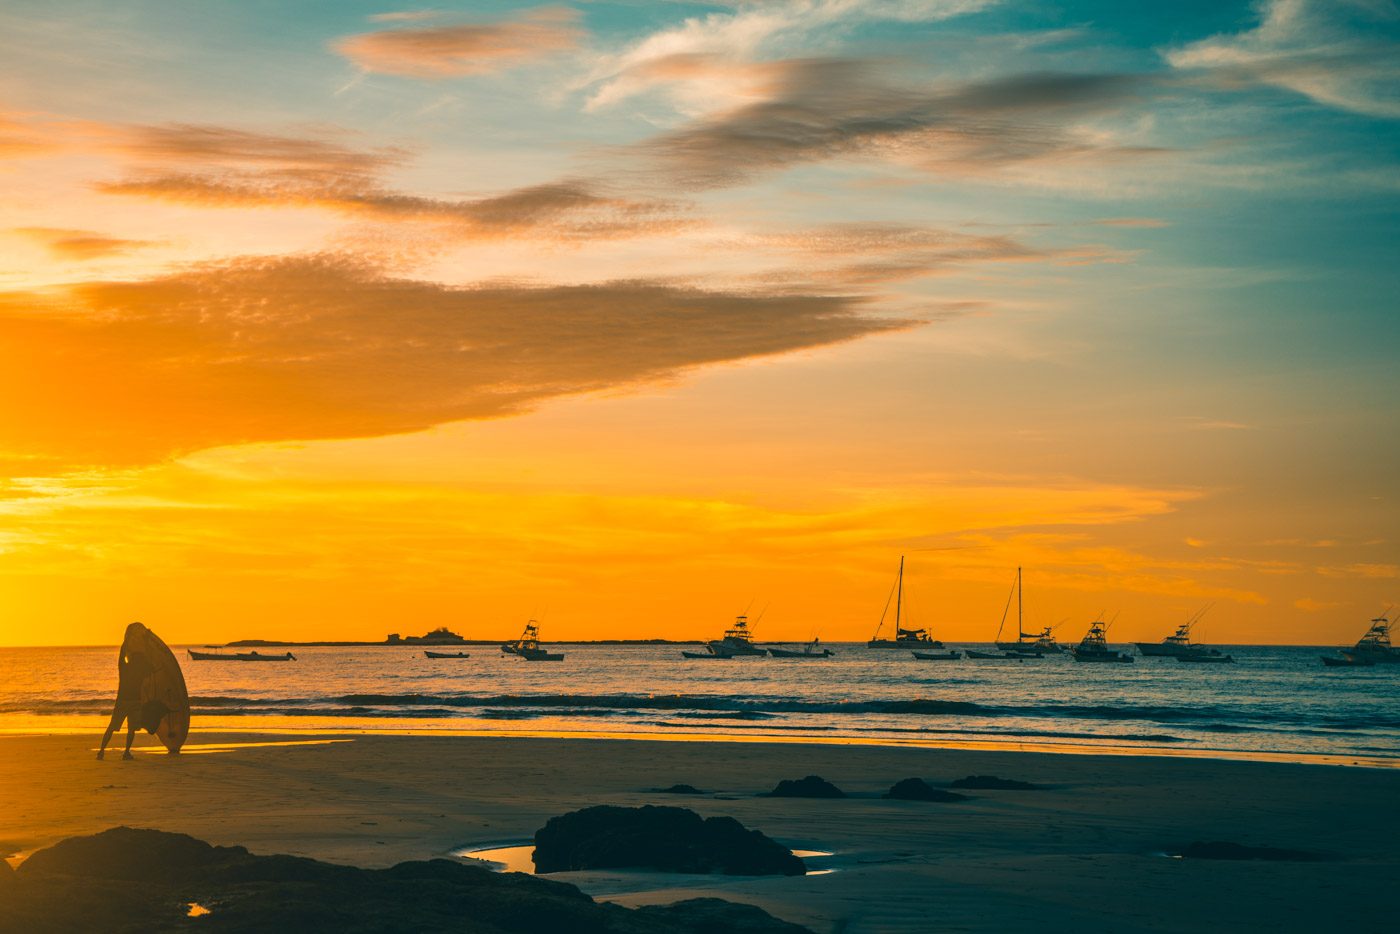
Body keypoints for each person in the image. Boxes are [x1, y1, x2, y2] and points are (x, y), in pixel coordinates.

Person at [97, 625, 156, 761]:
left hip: (123, 701)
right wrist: (147, 641)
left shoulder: (124, 668)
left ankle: (101, 751)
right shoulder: (142, 671)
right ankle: (126, 752)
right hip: (135, 702)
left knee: (112, 727)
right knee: (131, 729)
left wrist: (127, 639)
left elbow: (121, 654)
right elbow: (152, 666)